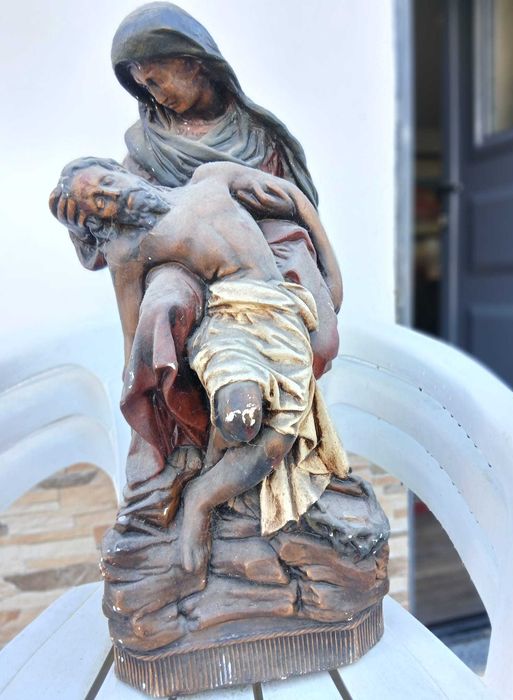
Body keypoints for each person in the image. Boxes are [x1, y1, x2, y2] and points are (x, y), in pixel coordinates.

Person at [50, 157, 348, 572]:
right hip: (229, 321)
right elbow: (132, 334)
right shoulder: (128, 250)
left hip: (282, 313)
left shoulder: (211, 177)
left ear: (119, 171)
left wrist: (332, 278)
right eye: (99, 202)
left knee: (276, 443)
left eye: (106, 180)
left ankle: (205, 492)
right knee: (240, 420)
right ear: (99, 222)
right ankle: (200, 505)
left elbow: (296, 200)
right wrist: (137, 396)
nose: (113, 195)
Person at [110, 1, 342, 312]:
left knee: (297, 272)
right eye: (143, 87)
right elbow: (126, 226)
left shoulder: (260, 136)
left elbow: (299, 211)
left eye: (155, 80)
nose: (155, 96)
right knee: (164, 301)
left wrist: (249, 201)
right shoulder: (147, 145)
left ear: (191, 63)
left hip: (265, 256)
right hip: (184, 265)